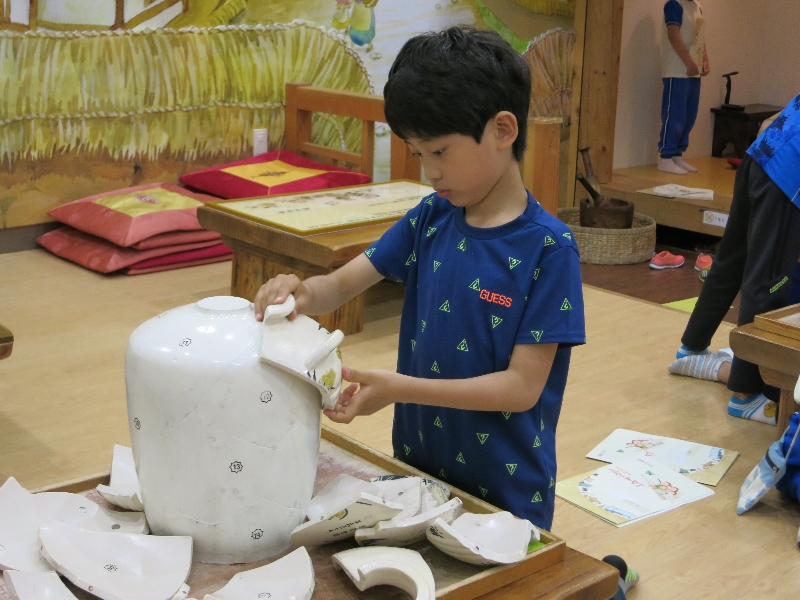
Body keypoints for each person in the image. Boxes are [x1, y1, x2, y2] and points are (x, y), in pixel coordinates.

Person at [254, 26, 585, 533]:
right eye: (417, 151)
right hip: (417, 466)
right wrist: (300, 289)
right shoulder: (431, 218)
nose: (428, 171)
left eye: (440, 152)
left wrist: (400, 388)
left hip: (507, 489)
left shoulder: (548, 248)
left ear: (502, 131)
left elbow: (521, 388)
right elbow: (340, 286)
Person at [668, 93, 800, 425]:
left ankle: (692, 347)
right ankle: (745, 393)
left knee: (732, 260)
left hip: (762, 154)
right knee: (768, 283)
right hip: (788, 176)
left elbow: (769, 122)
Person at [657, 0, 709, 175]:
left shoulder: (697, 6)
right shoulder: (674, 4)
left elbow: (698, 35)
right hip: (677, 70)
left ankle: (677, 155)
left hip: (693, 69)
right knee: (675, 115)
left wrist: (704, 60)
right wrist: (688, 62)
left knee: (689, 115)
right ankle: (666, 157)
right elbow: (673, 35)